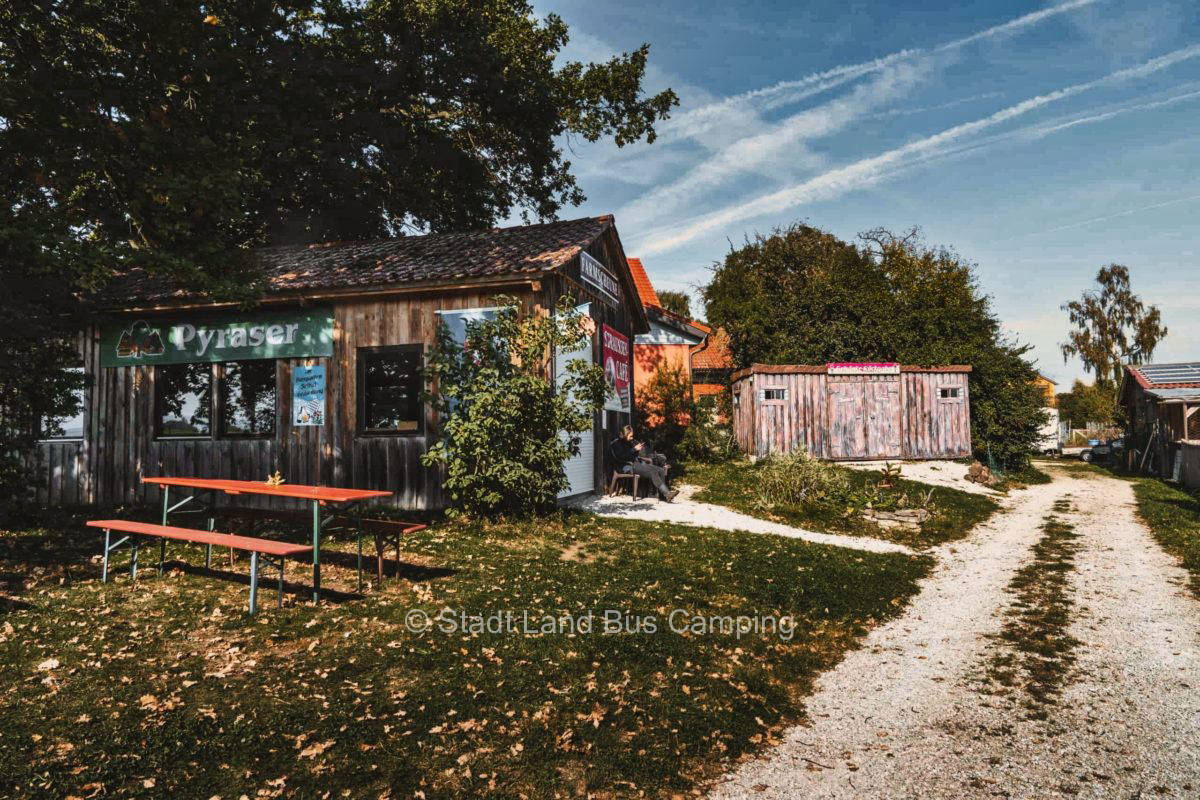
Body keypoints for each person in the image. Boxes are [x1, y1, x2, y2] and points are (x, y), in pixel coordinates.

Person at [609, 425, 678, 502]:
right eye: (630, 436)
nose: (632, 438)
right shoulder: (616, 443)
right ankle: (667, 493)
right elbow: (621, 457)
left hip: (634, 463)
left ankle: (664, 496)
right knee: (653, 472)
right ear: (625, 434)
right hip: (625, 466)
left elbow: (632, 455)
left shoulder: (628, 442)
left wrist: (637, 450)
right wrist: (634, 449)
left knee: (660, 470)